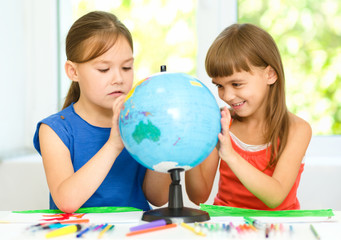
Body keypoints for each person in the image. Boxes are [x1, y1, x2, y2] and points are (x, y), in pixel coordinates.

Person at [33, 11, 170, 213]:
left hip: (136, 231)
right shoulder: (54, 130)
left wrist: (163, 139)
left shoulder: (137, 122)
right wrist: (114, 144)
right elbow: (67, 201)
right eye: (104, 69)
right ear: (73, 71)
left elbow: (158, 197)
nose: (118, 79)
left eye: (126, 67)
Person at [185, 23, 312, 210]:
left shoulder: (297, 129)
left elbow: (275, 196)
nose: (227, 96)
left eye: (236, 84)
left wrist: (231, 155)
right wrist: (192, 141)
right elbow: (198, 196)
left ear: (270, 75)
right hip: (227, 226)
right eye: (219, 86)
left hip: (279, 229)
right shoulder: (219, 122)